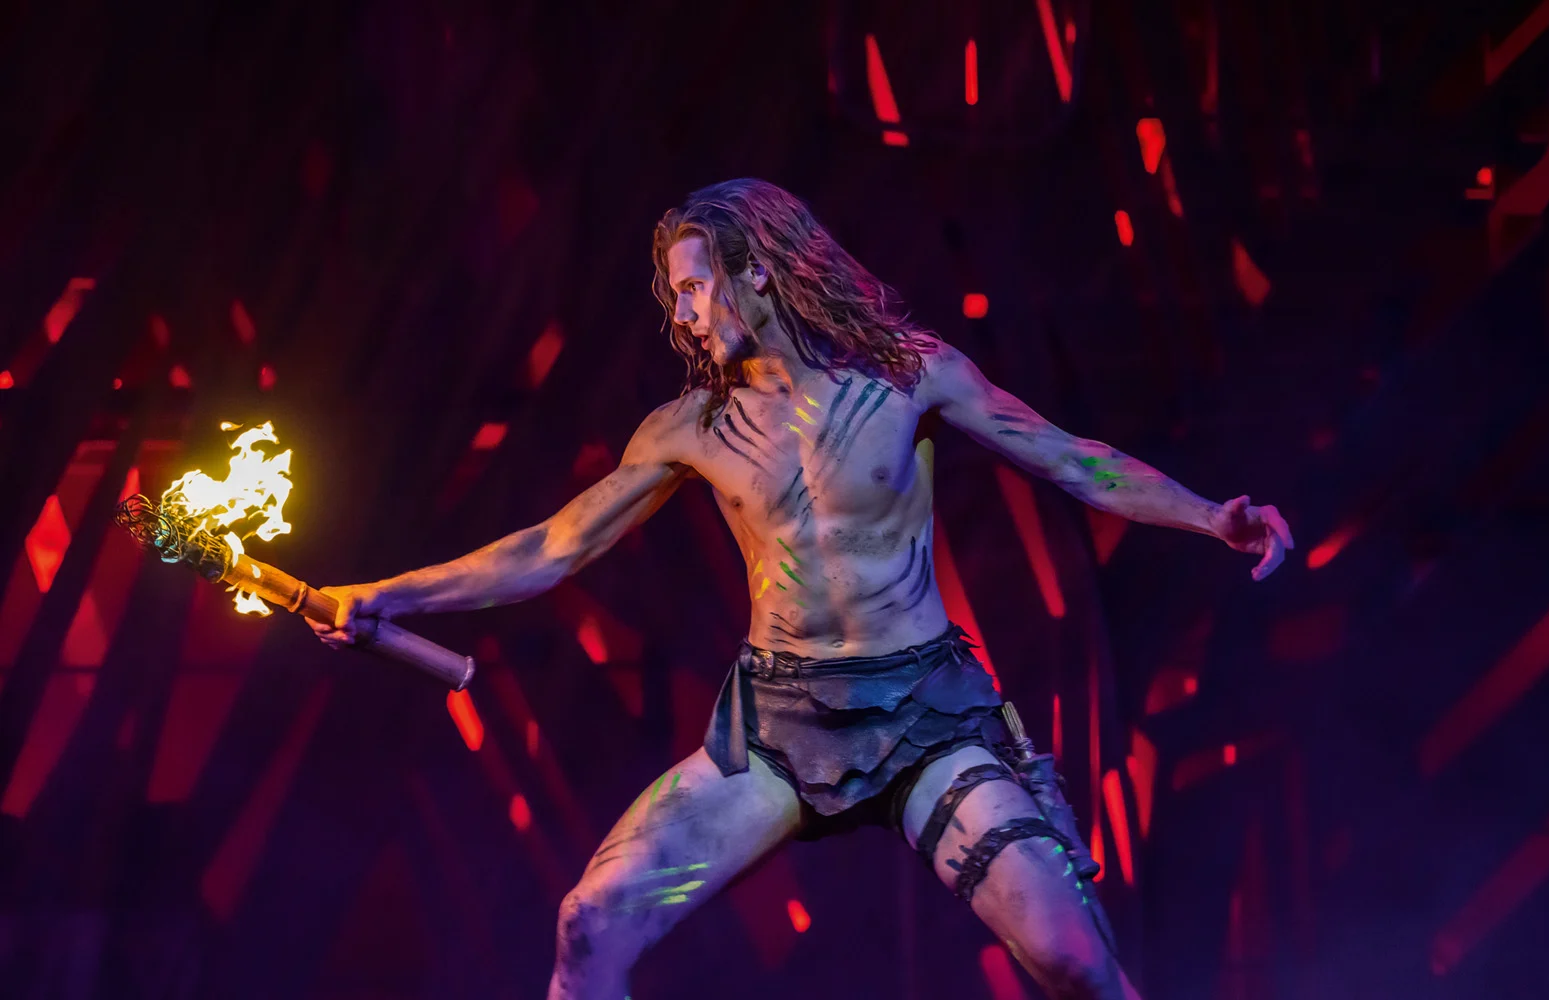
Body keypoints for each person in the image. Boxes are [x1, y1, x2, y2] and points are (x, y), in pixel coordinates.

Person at [311, 179, 1294, 999]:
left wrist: (1211, 515)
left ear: (759, 273)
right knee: (589, 921)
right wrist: (388, 594)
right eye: (675, 294)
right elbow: (552, 547)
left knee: (1073, 961)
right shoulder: (689, 428)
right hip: (777, 729)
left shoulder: (909, 377)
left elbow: (1073, 461)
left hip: (925, 718)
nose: (682, 313)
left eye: (695, 287)